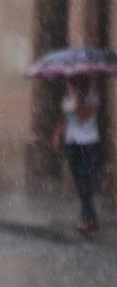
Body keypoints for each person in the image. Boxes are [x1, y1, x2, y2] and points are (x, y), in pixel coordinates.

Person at [52, 76, 102, 232]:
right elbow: (66, 118)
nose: (70, 84)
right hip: (72, 142)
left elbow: (82, 116)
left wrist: (76, 98)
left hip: (88, 143)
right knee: (79, 180)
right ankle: (89, 216)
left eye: (73, 81)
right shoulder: (67, 96)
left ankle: (88, 218)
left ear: (81, 81)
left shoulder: (92, 96)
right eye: (69, 81)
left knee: (85, 180)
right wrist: (57, 134)